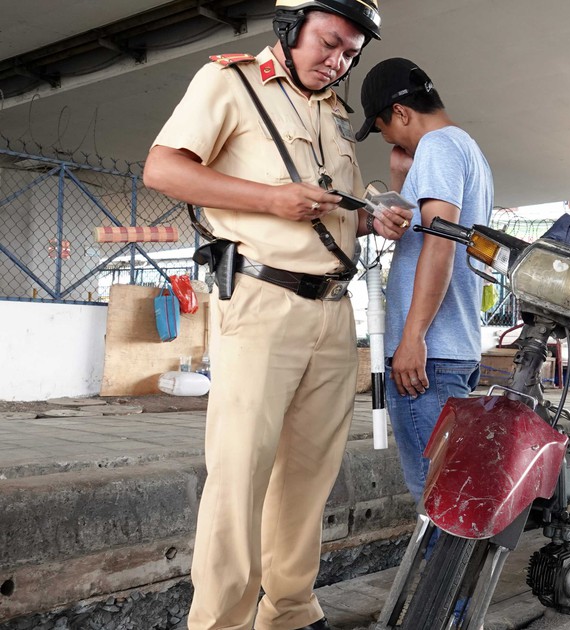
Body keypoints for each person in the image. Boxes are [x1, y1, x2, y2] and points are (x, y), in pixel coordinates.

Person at [142, 2, 410, 628]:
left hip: (333, 310)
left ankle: (289, 610)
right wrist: (271, 199)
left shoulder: (335, 113)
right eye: (328, 42)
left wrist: (371, 218)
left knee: (308, 478)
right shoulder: (229, 83)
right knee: (240, 477)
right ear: (290, 29)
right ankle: (222, 622)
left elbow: (327, 208)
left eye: (350, 53)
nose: (337, 61)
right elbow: (164, 168)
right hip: (261, 303)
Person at [356, 57, 494, 502]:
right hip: (453, 347)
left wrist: (413, 335)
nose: (388, 140)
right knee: (454, 494)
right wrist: (402, 178)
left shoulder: (437, 146)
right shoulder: (466, 148)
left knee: (436, 497)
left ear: (400, 113)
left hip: (429, 356)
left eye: (383, 128)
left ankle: (439, 576)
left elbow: (441, 242)